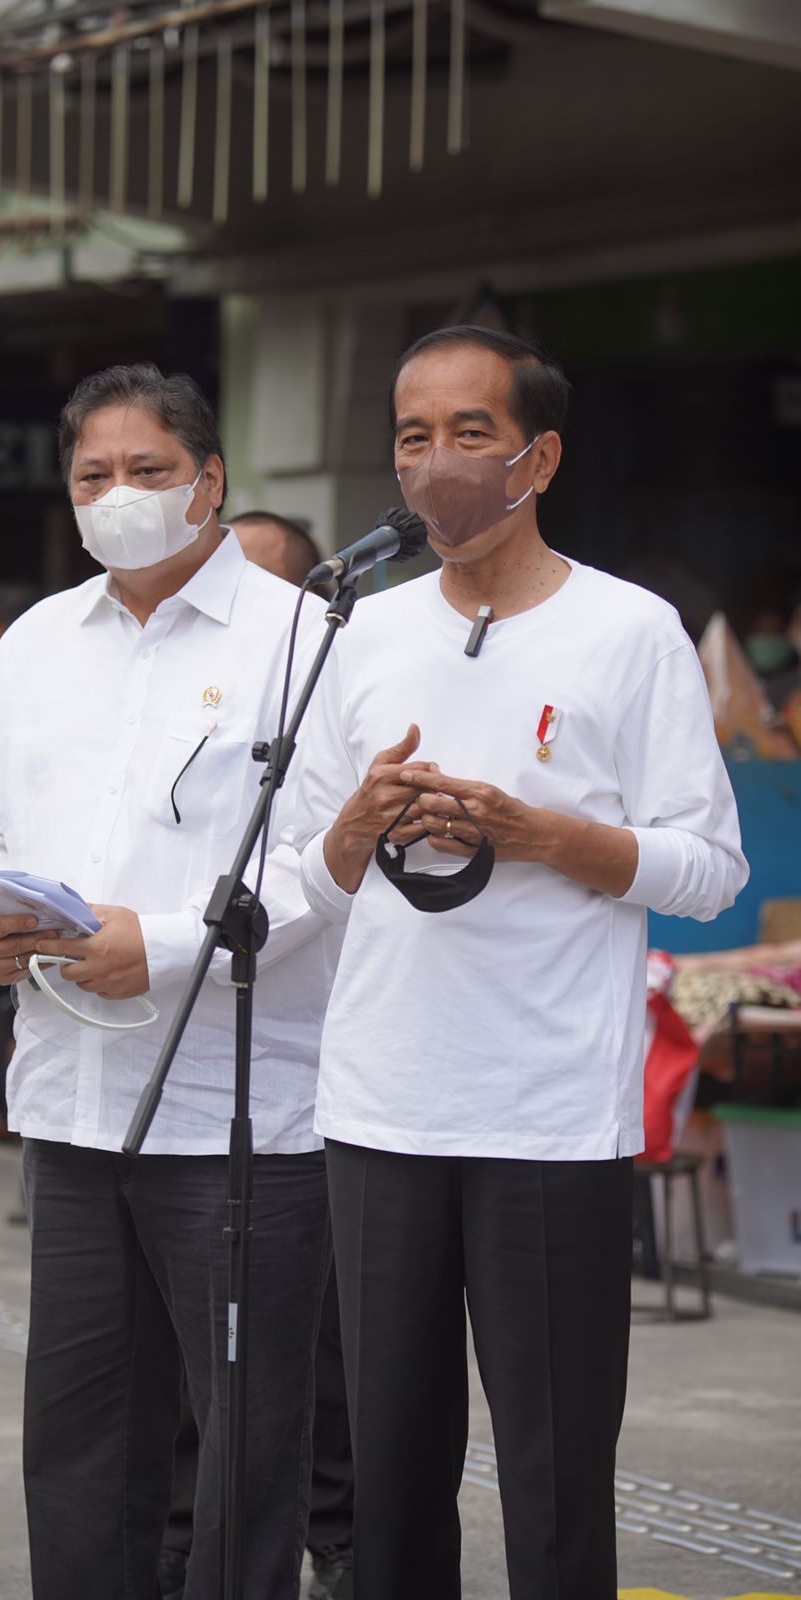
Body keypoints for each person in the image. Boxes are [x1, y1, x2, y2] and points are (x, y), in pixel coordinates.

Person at [293, 326, 749, 1600]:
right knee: (385, 1473)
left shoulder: (630, 631)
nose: (437, 464)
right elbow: (296, 868)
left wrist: (546, 836)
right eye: (412, 437)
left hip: (550, 1116)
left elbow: (709, 867)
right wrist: (356, 823)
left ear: (538, 456)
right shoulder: (359, 632)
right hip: (379, 1106)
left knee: (552, 1474)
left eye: (470, 433)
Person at [0, 363, 339, 1600]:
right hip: (72, 1096)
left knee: (247, 1446)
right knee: (81, 1441)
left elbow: (325, 863)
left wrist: (159, 943)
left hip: (241, 1114)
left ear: (208, 483)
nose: (119, 496)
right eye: (93, 475)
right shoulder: (36, 642)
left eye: (147, 471)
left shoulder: (302, 639)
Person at [160, 506, 354, 1600]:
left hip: (300, 1084)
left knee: (307, 1357)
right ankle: (186, 1545)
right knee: (195, 1368)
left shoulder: (325, 687)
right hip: (173, 1077)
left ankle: (340, 1538)